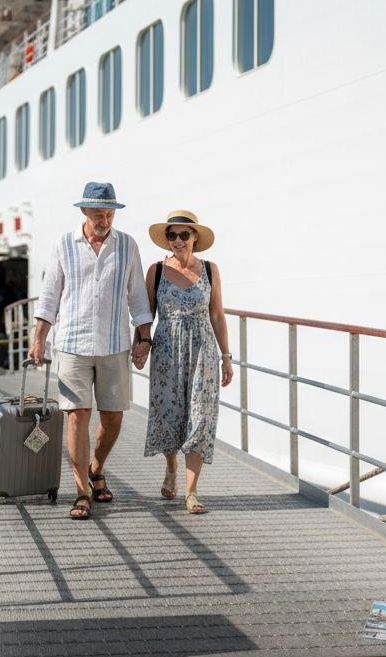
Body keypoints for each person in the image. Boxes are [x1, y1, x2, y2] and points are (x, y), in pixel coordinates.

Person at [29, 182, 153, 520]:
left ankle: (97, 468)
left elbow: (138, 296)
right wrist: (39, 338)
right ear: (84, 211)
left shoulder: (127, 245)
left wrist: (145, 338)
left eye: (110, 213)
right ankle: (82, 491)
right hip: (72, 344)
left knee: (113, 416)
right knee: (77, 416)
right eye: (98, 214)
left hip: (114, 344)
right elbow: (50, 294)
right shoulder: (64, 244)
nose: (105, 220)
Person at [142, 210, 233, 514]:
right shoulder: (155, 270)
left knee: (200, 415)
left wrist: (226, 356)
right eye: (172, 235)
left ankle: (192, 492)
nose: (178, 241)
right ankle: (171, 468)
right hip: (166, 349)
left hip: (203, 350)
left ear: (195, 237)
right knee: (169, 414)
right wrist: (140, 346)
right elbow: (146, 316)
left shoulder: (210, 269)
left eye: (184, 235)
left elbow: (217, 314)